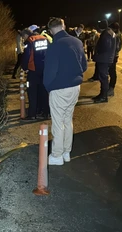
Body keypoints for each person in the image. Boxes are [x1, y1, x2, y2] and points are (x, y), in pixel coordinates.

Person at [43, 17, 88, 166]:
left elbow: (49, 73)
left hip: (60, 89)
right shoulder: (77, 42)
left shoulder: (54, 46)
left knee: (58, 122)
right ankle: (66, 152)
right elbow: (85, 66)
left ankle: (56, 155)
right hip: (75, 87)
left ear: (50, 30)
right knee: (67, 120)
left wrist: (49, 88)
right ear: (63, 26)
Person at [20, 28, 50, 121]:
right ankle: (46, 113)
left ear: (26, 35)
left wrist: (25, 68)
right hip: (45, 69)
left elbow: (26, 56)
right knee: (44, 92)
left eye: (23, 37)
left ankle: (32, 115)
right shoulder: (45, 39)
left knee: (32, 92)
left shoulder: (29, 41)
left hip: (33, 70)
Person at [92, 19, 116, 103]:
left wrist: (97, 52)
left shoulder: (106, 34)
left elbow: (105, 46)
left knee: (103, 78)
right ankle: (102, 94)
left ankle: (103, 96)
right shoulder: (111, 32)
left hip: (104, 59)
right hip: (107, 58)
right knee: (103, 77)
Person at [108, 22, 122, 97]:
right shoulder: (116, 35)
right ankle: (110, 87)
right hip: (113, 55)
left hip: (113, 56)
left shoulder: (116, 36)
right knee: (110, 71)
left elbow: (118, 47)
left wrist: (114, 52)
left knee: (112, 72)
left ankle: (111, 88)